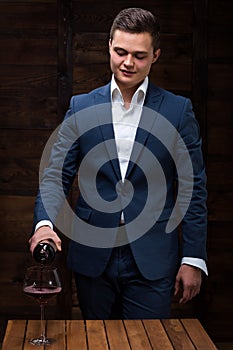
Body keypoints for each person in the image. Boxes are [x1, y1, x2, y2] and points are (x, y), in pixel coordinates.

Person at [29, 7, 207, 319]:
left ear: (155, 55)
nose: (128, 63)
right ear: (109, 46)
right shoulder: (81, 106)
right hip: (92, 256)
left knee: (148, 342)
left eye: (139, 55)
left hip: (153, 257)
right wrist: (44, 225)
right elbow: (55, 174)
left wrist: (193, 257)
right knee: (96, 341)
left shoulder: (178, 111)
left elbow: (193, 188)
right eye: (121, 51)